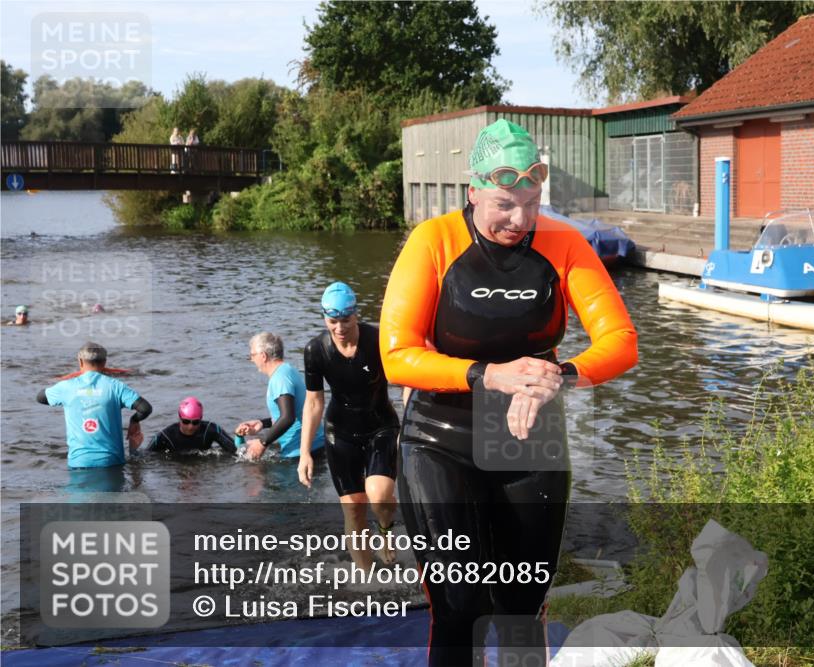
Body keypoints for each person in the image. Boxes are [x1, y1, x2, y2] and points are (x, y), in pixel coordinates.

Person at [379, 119, 638, 665]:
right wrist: (486, 375)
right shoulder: (434, 241)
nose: (520, 221)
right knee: (461, 604)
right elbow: (396, 355)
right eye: (503, 204)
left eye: (532, 202)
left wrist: (559, 376)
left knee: (522, 603)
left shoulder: (563, 244)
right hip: (439, 437)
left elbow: (620, 341)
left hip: (529, 436)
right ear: (471, 192)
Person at [298, 282, 400, 568]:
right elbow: (314, 402)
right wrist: (305, 451)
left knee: (379, 496)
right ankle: (366, 578)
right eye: (333, 321)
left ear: (356, 315)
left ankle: (385, 530)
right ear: (324, 319)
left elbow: (406, 380)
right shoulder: (315, 350)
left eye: (346, 320)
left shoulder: (377, 341)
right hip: (340, 432)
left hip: (381, 426)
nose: (340, 328)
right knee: (353, 509)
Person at [37, 342, 152, 469]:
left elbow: (40, 397)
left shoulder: (66, 387)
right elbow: (145, 408)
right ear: (104, 363)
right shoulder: (116, 386)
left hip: (78, 463)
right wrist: (134, 420)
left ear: (80, 362)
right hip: (112, 463)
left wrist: (62, 385)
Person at [236, 332, 325, 462]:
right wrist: (262, 423)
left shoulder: (280, 378)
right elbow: (292, 411)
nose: (252, 360)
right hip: (314, 447)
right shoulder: (287, 370)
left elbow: (288, 417)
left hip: (300, 454)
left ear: (263, 356)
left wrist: (262, 443)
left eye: (252, 355)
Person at [146, 396, 237, 455]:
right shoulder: (166, 436)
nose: (190, 427)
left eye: (195, 422)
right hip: (177, 465)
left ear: (201, 419)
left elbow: (236, 450)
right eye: (186, 421)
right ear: (179, 418)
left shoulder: (210, 429)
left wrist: (239, 436)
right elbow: (145, 457)